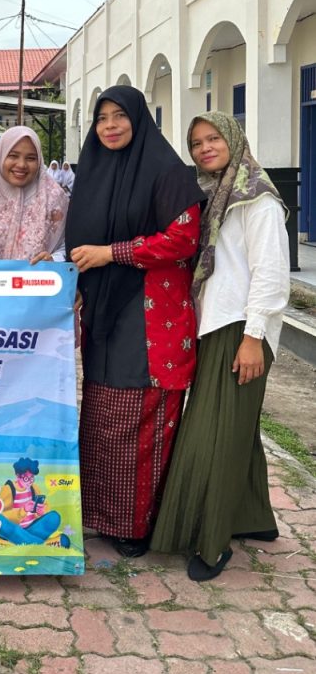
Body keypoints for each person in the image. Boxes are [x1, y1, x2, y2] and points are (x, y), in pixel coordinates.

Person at [65, 87, 206, 557]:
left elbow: (182, 239)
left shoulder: (167, 172)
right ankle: (102, 515)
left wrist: (113, 253)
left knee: (142, 416)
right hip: (104, 312)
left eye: (119, 115)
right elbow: (78, 242)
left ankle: (138, 525)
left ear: (139, 118)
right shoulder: (93, 173)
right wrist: (77, 281)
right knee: (103, 415)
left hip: (151, 312)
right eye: (102, 117)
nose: (110, 125)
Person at [151, 112, 289, 581]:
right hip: (215, 326)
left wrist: (253, 338)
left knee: (214, 435)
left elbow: (271, 274)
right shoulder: (215, 193)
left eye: (213, 138)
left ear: (233, 139)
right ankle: (254, 519)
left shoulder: (257, 198)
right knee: (237, 428)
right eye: (196, 143)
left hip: (241, 330)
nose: (205, 148)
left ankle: (212, 543)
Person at [0, 126, 69, 263]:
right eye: (13, 156)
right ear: (0, 156)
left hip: (41, 276)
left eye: (31, 158)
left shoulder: (55, 199)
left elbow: (69, 245)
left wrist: (53, 259)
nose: (21, 165)